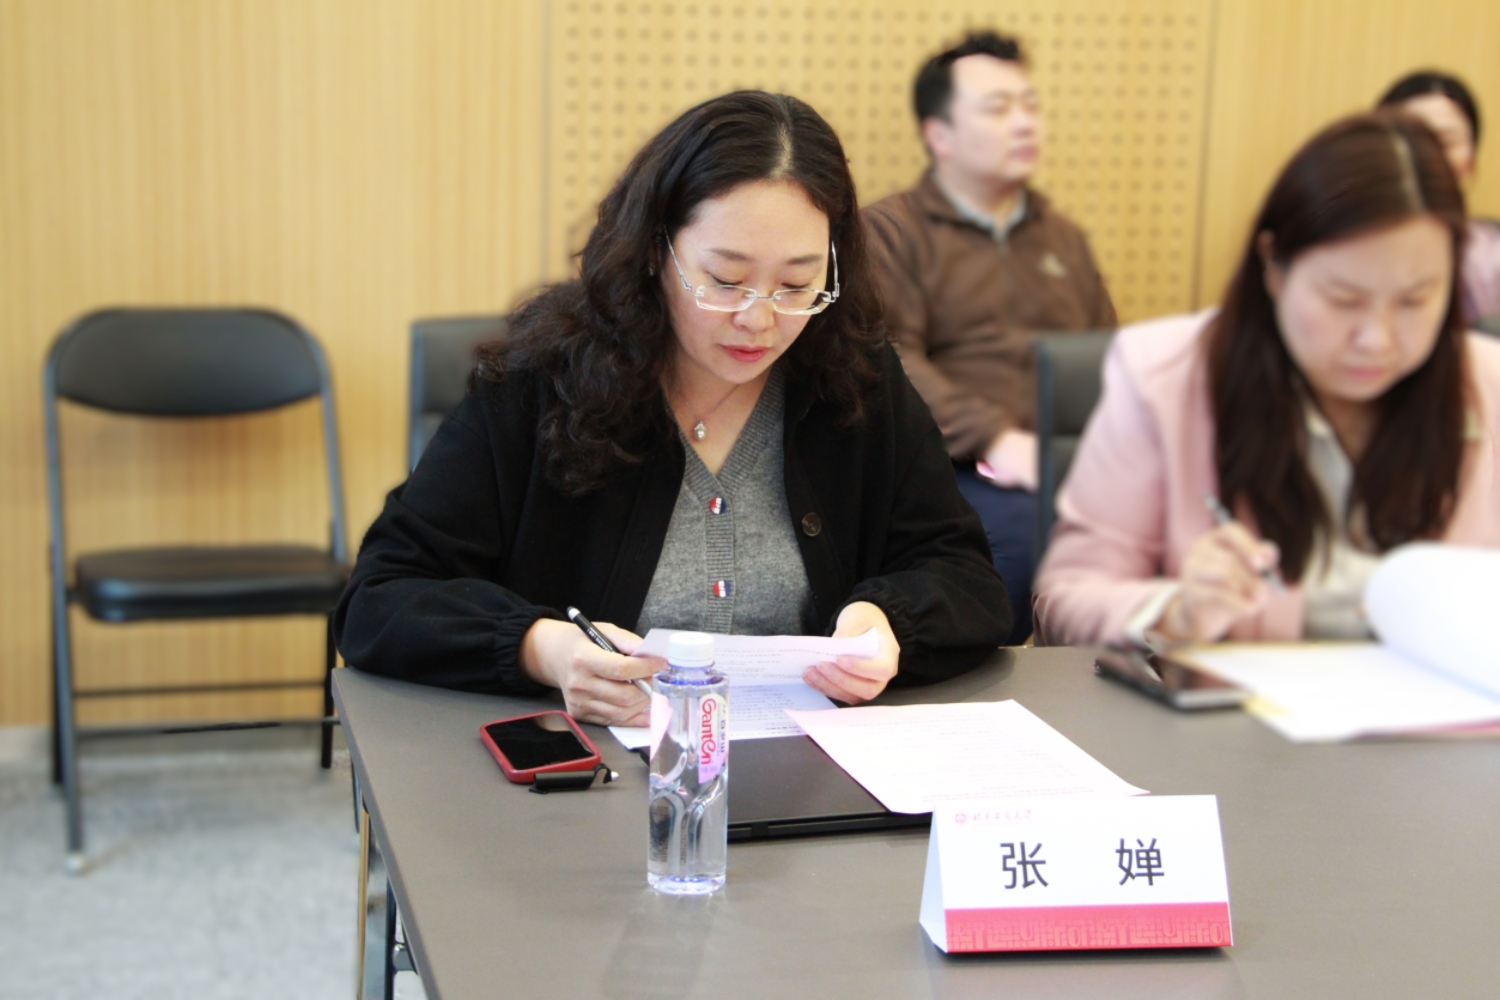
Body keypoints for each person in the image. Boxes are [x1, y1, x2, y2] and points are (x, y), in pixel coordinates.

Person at [335, 91, 1011, 725]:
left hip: (804, 766)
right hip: (596, 772)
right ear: (655, 252)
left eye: (797, 284)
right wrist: (543, 649)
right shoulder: (541, 383)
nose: (760, 320)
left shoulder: (853, 379)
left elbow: (965, 574)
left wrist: (888, 621)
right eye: (725, 280)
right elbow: (381, 596)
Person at [1033, 112, 1500, 647]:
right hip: (1233, 701)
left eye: (1415, 300)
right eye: (1344, 299)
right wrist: (1175, 612)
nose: (1377, 338)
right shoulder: (1164, 377)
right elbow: (1065, 598)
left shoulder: (1488, 384)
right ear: (1273, 266)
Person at [864, 31, 1117, 645]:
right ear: (940, 134)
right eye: (998, 108)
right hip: (954, 471)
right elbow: (890, 358)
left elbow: (1106, 358)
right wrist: (997, 439)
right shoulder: (890, 232)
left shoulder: (1061, 240)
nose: (1024, 123)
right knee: (1015, 535)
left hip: (1062, 461)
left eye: (1029, 105)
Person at [1378, 70, 1500, 324]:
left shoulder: (1492, 256)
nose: (1428, 154)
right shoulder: (1344, 245)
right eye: (1412, 139)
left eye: (1446, 141)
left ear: (1471, 161)